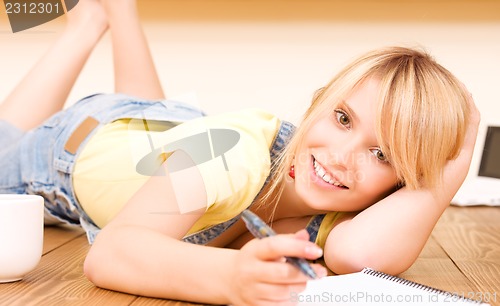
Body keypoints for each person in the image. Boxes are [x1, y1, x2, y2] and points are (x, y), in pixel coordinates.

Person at [0, 0, 480, 305]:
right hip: (74, 144)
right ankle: (87, 22)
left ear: (402, 183)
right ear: (317, 103)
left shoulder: (344, 220)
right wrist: (231, 277)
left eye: (383, 154)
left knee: (157, 121)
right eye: (342, 118)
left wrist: (449, 170)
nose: (341, 156)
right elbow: (111, 255)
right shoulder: (237, 157)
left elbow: (359, 254)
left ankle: (119, 8)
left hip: (168, 127)